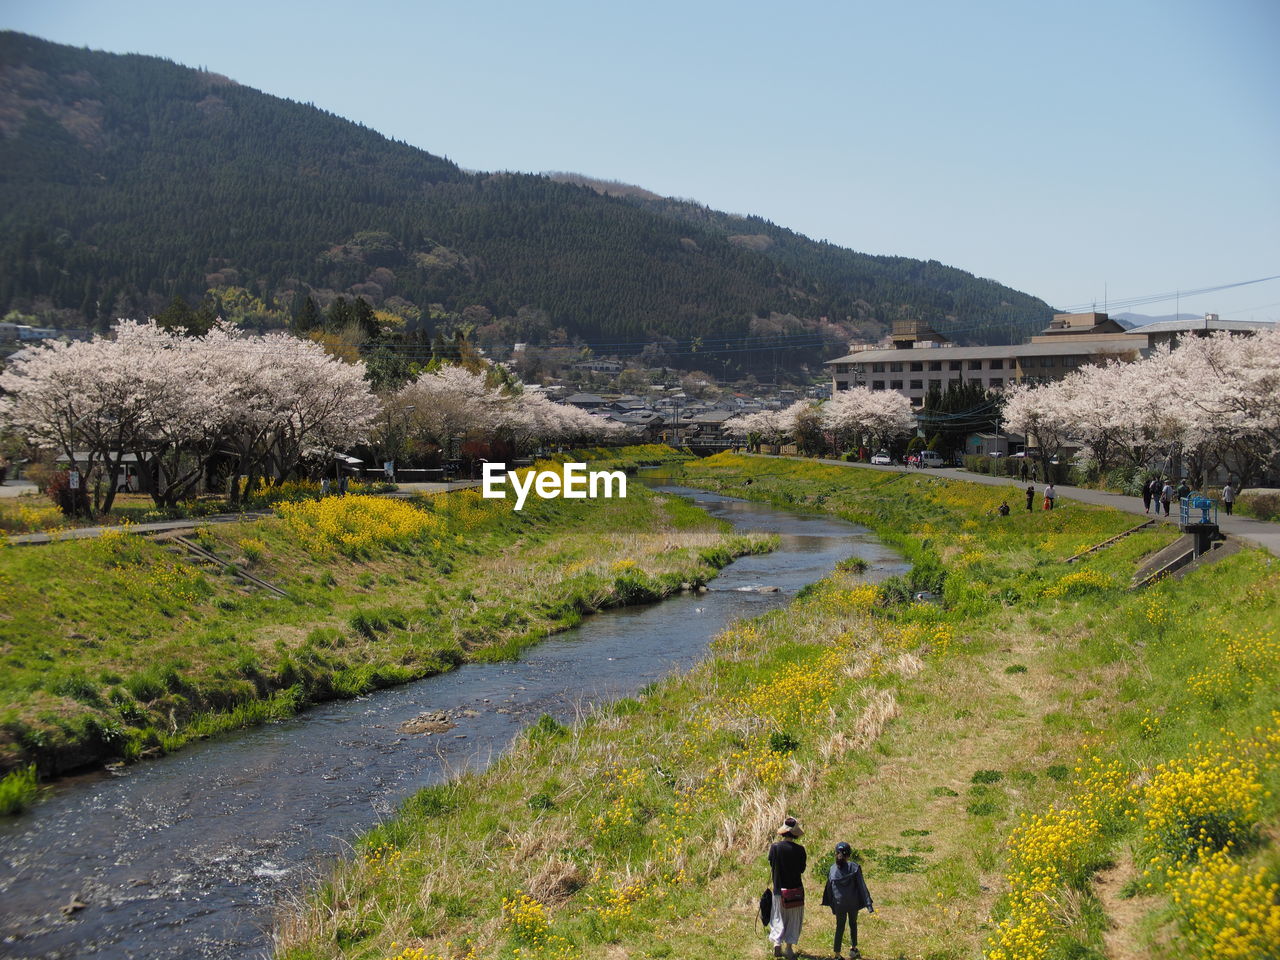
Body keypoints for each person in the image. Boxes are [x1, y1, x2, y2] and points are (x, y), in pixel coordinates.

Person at [822, 841, 874, 959]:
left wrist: (832, 904)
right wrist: (869, 905)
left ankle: (837, 954)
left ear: (836, 854)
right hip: (853, 903)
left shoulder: (832, 869)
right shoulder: (854, 867)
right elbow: (862, 885)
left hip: (839, 904)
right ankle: (853, 949)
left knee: (839, 926)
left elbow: (829, 889)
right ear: (849, 855)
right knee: (853, 924)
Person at [767, 817, 807, 958]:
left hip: (779, 890)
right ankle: (789, 948)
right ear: (795, 833)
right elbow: (802, 869)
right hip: (795, 891)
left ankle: (777, 943)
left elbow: (772, 863)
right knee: (793, 919)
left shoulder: (775, 848)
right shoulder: (800, 850)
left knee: (777, 917)